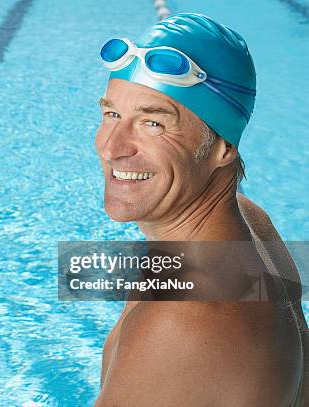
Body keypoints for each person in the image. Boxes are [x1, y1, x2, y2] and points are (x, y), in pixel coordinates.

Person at [93, 13, 307, 406]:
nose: (112, 147)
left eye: (153, 123)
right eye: (112, 115)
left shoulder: (182, 321)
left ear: (222, 148)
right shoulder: (252, 222)